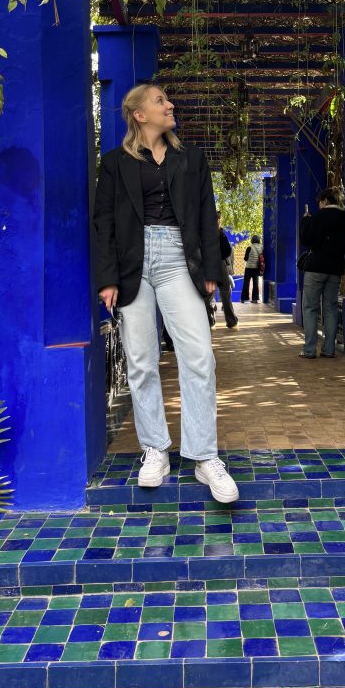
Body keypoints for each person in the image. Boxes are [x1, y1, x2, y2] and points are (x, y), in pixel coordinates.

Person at [93, 83, 239, 503]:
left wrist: (211, 270)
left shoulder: (191, 159)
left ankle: (204, 457)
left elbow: (206, 216)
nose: (169, 105)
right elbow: (104, 223)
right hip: (131, 262)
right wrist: (107, 278)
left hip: (179, 260)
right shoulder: (115, 164)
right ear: (139, 115)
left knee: (199, 356)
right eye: (160, 101)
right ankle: (154, 449)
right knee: (140, 360)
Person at [299, 187, 345, 358]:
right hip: (335, 269)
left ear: (325, 201)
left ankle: (309, 350)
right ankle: (329, 349)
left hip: (316, 268)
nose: (319, 205)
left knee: (310, 308)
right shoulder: (344, 216)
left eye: (319, 202)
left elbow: (307, 240)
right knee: (331, 308)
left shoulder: (318, 216)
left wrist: (305, 222)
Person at [217, 212, 239, 329]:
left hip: (206, 264)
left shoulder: (203, 231)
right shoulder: (221, 233)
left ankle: (209, 322)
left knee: (207, 296)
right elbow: (227, 251)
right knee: (226, 293)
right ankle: (231, 321)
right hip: (220, 265)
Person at [241, 233, 263, 303]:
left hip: (249, 268)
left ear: (252, 240)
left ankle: (245, 298)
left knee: (246, 283)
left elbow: (245, 259)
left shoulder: (249, 248)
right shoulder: (261, 248)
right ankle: (255, 299)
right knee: (255, 283)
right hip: (257, 268)